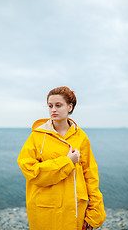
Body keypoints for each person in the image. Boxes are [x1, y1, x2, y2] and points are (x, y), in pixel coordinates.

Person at [17, 86, 106, 230]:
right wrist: (67, 162)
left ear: (69, 107)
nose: (53, 110)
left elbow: (91, 175)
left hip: (75, 209)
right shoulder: (37, 136)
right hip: (44, 209)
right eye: (50, 106)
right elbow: (29, 170)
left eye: (58, 105)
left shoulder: (81, 137)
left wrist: (94, 213)